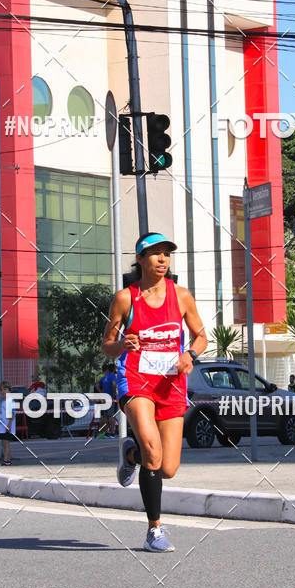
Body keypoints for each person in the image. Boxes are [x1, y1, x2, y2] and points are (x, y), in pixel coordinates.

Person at [101, 232, 207, 553]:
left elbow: (201, 336)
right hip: (135, 381)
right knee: (153, 448)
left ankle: (130, 454)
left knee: (168, 467)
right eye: (155, 254)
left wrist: (190, 355)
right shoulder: (125, 298)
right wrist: (121, 344)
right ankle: (155, 530)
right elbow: (106, 347)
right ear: (140, 259)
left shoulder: (182, 296)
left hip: (171, 385)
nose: (162, 259)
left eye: (166, 254)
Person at [95, 363, 118, 436]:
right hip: (110, 398)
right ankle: (112, 432)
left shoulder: (105, 376)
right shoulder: (113, 376)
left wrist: (101, 393)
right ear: (114, 369)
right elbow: (114, 384)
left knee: (105, 416)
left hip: (105, 397)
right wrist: (114, 393)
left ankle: (103, 433)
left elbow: (97, 385)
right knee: (111, 415)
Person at [0, 380, 16, 466]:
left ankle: (6, 461)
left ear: (9, 390)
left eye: (5, 389)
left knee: (6, 443)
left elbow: (12, 414)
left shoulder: (10, 401)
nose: (3, 391)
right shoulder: (4, 402)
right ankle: (8, 460)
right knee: (5, 444)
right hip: (2, 426)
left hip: (7, 426)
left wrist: (9, 425)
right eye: (1, 390)